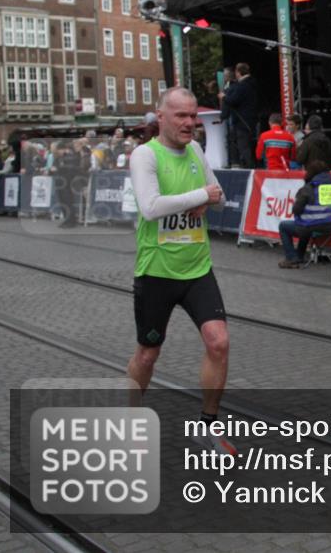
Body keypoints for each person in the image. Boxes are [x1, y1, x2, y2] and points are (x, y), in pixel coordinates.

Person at [127, 86, 235, 455]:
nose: (191, 123)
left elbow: (219, 196)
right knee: (147, 355)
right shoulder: (145, 155)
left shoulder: (196, 151)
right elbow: (151, 207)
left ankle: (208, 427)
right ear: (161, 117)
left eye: (193, 116)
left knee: (219, 343)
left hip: (197, 268)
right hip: (157, 271)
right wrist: (201, 196)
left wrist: (209, 198)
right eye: (182, 116)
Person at [277, 160, 331, 268]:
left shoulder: (308, 189)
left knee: (284, 226)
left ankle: (291, 258)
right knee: (305, 224)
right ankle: (299, 256)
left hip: (312, 226)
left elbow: (296, 209)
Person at [219, 62, 258, 168]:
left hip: (242, 120)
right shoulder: (252, 83)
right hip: (251, 118)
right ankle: (246, 164)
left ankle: (248, 166)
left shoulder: (242, 86)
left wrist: (223, 97)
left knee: (243, 144)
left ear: (238, 72)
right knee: (246, 143)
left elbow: (233, 101)